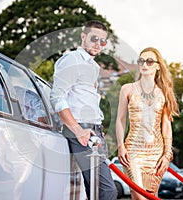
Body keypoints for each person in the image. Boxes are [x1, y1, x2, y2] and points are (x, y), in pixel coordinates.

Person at [50, 20, 117, 200]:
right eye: (94, 38)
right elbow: (57, 97)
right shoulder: (72, 60)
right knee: (106, 191)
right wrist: (78, 130)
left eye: (103, 41)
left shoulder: (93, 67)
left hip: (94, 131)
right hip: (82, 131)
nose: (98, 44)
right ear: (83, 36)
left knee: (94, 190)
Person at [115, 47, 179, 199]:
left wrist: (167, 154)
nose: (144, 64)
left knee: (152, 195)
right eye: (141, 61)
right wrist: (120, 145)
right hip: (133, 151)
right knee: (139, 196)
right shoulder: (127, 89)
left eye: (149, 61)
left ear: (158, 66)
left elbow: (166, 125)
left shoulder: (164, 91)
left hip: (156, 154)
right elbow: (120, 119)